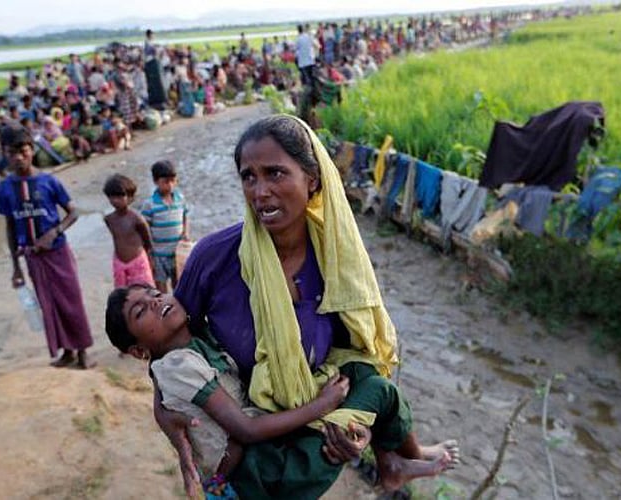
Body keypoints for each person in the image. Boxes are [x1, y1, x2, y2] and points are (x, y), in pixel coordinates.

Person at [159, 115, 459, 497]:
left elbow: (354, 356)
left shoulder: (336, 258)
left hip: (314, 429)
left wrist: (359, 431)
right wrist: (163, 413)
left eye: (275, 174)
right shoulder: (215, 258)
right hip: (242, 445)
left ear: (312, 179)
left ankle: (393, 461)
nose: (260, 191)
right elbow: (167, 344)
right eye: (248, 176)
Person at [105, 285, 350, 490]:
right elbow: (247, 430)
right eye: (140, 311)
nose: (156, 302)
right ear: (138, 351)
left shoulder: (197, 338)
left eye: (155, 293)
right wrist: (322, 404)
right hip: (249, 472)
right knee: (342, 431)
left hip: (249, 456)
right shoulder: (177, 366)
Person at [0, 127, 95, 369]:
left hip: (58, 253)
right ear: (5, 154)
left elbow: (74, 212)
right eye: (12, 153)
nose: (18, 157)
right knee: (48, 304)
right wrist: (15, 267)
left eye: (23, 151)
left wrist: (54, 232)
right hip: (32, 258)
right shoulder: (4, 189)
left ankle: (82, 352)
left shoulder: (49, 181)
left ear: (32, 151)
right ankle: (67, 352)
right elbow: (10, 227)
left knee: (71, 300)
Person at [140, 160, 189, 292]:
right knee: (161, 290)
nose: (170, 185)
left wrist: (185, 232)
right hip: (158, 255)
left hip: (177, 252)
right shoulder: (150, 204)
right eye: (166, 182)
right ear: (156, 182)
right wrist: (149, 252)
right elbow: (144, 228)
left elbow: (185, 215)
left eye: (173, 181)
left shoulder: (180, 198)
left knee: (179, 286)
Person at [103, 174, 154, 288]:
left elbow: (147, 240)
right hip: (119, 262)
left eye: (120, 197)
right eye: (112, 197)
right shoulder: (109, 219)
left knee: (144, 291)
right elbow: (117, 238)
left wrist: (150, 259)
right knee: (122, 294)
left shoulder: (137, 219)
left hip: (138, 261)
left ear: (130, 198)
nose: (115, 200)